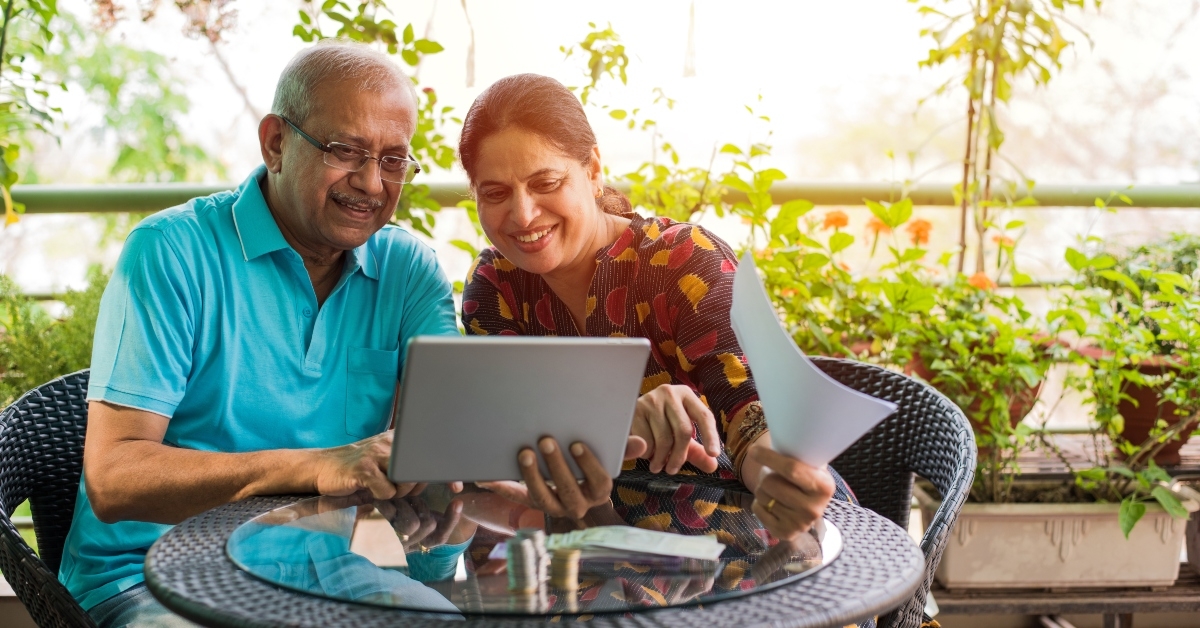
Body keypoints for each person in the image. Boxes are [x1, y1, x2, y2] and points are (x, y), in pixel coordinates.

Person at [60, 41, 460, 627]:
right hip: (147, 575)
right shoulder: (172, 251)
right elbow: (114, 477)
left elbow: (449, 437)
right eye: (345, 150)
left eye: (394, 160)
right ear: (276, 142)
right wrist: (316, 465)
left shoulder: (408, 271)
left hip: (323, 568)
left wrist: (452, 483)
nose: (372, 183)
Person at [458, 74, 857, 545]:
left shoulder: (685, 262)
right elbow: (509, 433)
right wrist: (609, 418)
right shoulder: (496, 286)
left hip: (745, 538)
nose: (522, 215)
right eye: (496, 193)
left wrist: (781, 478)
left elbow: (752, 417)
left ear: (592, 169)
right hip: (590, 552)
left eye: (545, 182)